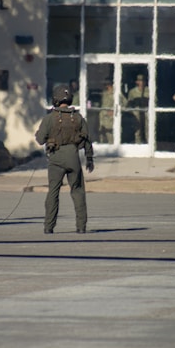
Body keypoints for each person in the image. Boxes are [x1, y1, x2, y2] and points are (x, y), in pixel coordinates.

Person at [35, 84, 94, 234]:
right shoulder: (78, 118)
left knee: (53, 192)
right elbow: (87, 139)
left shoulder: (50, 118)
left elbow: (40, 139)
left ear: (55, 99)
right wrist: (89, 158)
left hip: (56, 158)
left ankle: (49, 227)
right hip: (73, 156)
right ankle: (81, 227)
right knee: (78, 191)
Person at [127, 74, 149, 144]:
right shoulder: (132, 92)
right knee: (137, 130)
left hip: (147, 111)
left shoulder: (149, 90)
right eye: (139, 81)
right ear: (136, 82)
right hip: (137, 112)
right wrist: (133, 112)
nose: (141, 82)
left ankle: (148, 144)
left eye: (143, 81)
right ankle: (138, 145)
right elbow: (129, 103)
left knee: (148, 129)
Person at [99, 78, 114, 143]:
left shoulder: (115, 93)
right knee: (101, 135)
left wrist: (113, 111)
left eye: (107, 84)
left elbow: (124, 103)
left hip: (110, 118)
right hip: (102, 117)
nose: (106, 86)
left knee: (110, 136)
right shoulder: (104, 93)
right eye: (105, 84)